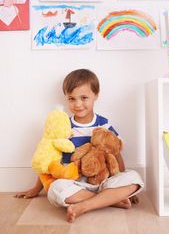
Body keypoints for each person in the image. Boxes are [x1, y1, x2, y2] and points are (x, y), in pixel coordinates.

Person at [15, 69, 144, 223]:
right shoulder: (63, 126)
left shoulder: (103, 124)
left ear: (96, 95)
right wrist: (36, 189)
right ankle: (110, 200)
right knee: (55, 189)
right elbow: (49, 162)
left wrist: (122, 184)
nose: (77, 104)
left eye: (84, 98)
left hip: (103, 181)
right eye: (71, 99)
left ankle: (85, 206)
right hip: (75, 183)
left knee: (134, 179)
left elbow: (116, 154)